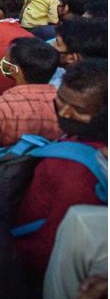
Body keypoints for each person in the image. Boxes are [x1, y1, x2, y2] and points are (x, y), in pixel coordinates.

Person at [14, 59, 108, 283]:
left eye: (79, 110)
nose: (64, 113)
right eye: (61, 101)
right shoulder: (86, 137)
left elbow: (53, 244)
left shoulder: (75, 176)